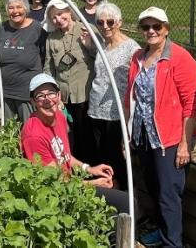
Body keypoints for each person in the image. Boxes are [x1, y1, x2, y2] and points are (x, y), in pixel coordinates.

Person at [21, 73, 139, 244]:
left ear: (59, 95)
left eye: (51, 93)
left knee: (115, 186)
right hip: (55, 195)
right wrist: (94, 183)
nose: (47, 100)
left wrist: (89, 169)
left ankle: (109, 238)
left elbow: (65, 156)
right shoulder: (34, 135)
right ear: (32, 102)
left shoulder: (59, 118)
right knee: (127, 203)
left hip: (69, 184)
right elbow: (55, 183)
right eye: (40, 96)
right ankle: (117, 242)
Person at [125, 7, 196, 248]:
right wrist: (126, 135)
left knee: (169, 195)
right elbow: (130, 98)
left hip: (169, 139)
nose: (151, 31)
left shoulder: (178, 57)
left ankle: (173, 243)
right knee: (154, 187)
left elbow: (192, 102)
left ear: (166, 29)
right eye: (146, 27)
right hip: (144, 135)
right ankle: (163, 232)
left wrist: (184, 144)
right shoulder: (138, 57)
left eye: (156, 26)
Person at [83, 1, 139, 188]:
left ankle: (123, 199)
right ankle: (107, 197)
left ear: (119, 22)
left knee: (117, 161)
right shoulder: (102, 46)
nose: (105, 26)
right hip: (96, 110)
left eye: (110, 22)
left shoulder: (132, 49)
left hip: (116, 114)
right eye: (100, 22)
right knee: (101, 160)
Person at [43, 0, 94, 160]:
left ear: (69, 12)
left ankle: (90, 169)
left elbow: (100, 57)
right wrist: (52, 94)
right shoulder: (52, 39)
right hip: (63, 97)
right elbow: (48, 68)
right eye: (53, 17)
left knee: (87, 136)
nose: (58, 19)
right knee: (67, 136)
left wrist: (90, 46)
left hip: (85, 94)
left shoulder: (85, 30)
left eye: (60, 14)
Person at [0, 0, 46, 124]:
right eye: (11, 7)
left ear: (26, 8)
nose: (15, 11)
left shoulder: (37, 28)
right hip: (4, 91)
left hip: (27, 93)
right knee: (9, 133)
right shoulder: (2, 28)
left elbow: (45, 56)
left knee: (29, 130)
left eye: (19, 7)